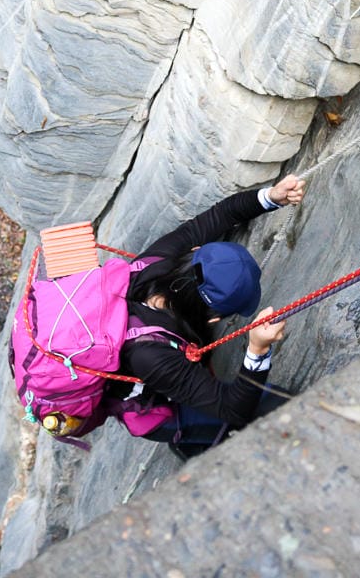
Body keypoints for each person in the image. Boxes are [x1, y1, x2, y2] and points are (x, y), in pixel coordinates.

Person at [110, 174, 305, 458]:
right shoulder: (150, 354)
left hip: (156, 355)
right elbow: (234, 409)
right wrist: (257, 350)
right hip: (148, 404)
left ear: (195, 252)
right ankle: (190, 440)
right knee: (269, 406)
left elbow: (221, 215)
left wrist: (271, 196)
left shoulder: (161, 261)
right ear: (213, 317)